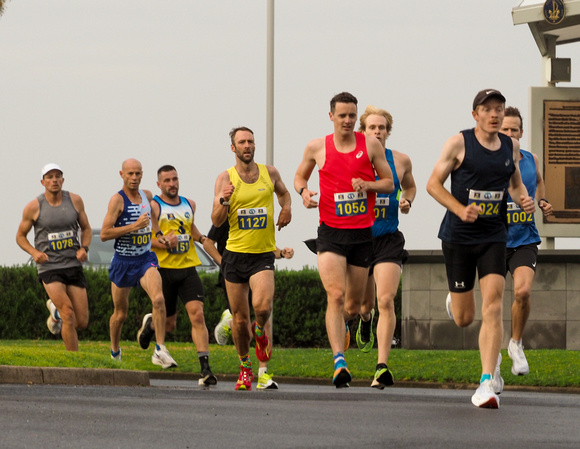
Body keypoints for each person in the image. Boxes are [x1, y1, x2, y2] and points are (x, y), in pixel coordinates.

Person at [426, 89, 535, 409]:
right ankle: (455, 299)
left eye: (499, 109)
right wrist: (460, 209)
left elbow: (514, 183)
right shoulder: (458, 143)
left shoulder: (509, 147)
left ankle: (486, 382)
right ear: (475, 114)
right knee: (464, 318)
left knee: (492, 308)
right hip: (458, 237)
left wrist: (522, 198)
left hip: (493, 236)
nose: (495, 114)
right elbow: (433, 183)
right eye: (487, 109)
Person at [294, 92, 394, 388]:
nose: (348, 120)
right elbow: (300, 177)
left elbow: (389, 183)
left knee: (354, 305)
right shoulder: (317, 147)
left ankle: (359, 321)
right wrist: (304, 193)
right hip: (330, 232)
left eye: (352, 115)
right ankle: (339, 362)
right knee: (335, 296)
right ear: (331, 117)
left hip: (362, 234)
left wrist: (369, 185)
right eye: (343, 116)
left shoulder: (371, 145)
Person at [211, 126, 291, 391]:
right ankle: (245, 367)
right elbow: (216, 221)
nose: (247, 146)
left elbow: (284, 193)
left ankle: (261, 335)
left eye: (251, 141)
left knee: (263, 308)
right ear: (233, 148)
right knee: (240, 319)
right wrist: (225, 200)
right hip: (234, 256)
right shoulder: (225, 178)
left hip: (262, 256)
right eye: (242, 142)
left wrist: (286, 208)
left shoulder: (270, 173)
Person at [135, 165, 217, 385]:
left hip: (188, 268)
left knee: (197, 314)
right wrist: (162, 242)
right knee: (169, 325)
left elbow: (190, 229)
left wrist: (202, 240)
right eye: (167, 181)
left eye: (175, 179)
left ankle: (205, 369)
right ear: (159, 184)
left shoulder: (190, 204)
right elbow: (144, 238)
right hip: (163, 271)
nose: (172, 184)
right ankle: (152, 324)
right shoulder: (154, 206)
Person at [355, 105, 416, 389]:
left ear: (388, 131)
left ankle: (382, 367)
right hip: (359, 237)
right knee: (363, 305)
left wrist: (407, 201)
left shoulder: (401, 161)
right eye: (372, 127)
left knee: (386, 300)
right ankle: (364, 320)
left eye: (381, 127)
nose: (377, 131)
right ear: (362, 131)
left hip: (389, 239)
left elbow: (411, 187)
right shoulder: (353, 160)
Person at [101, 158, 177, 369]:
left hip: (145, 259)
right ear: (122, 174)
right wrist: (133, 226)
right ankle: (115, 351)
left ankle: (160, 349)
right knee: (120, 314)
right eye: (130, 174)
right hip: (123, 262)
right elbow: (105, 234)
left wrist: (159, 233)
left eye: (138, 174)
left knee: (159, 299)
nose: (134, 178)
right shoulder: (117, 200)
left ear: (142, 174)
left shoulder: (147, 195)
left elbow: (152, 215)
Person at [204, 220, 294, 389]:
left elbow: (265, 247)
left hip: (258, 269)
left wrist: (281, 253)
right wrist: (224, 263)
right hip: (233, 271)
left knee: (265, 316)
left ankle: (262, 374)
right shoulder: (226, 214)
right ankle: (229, 324)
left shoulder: (258, 211)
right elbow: (208, 243)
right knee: (243, 325)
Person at [500, 106, 553, 376]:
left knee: (522, 292)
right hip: (494, 241)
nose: (510, 133)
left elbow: (539, 182)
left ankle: (516, 343)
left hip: (524, 239)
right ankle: (491, 363)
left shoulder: (531, 158)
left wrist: (541, 200)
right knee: (491, 302)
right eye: (504, 129)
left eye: (514, 130)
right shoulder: (487, 161)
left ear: (521, 132)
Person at [16, 163, 91, 351]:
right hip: (49, 267)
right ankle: (73, 360)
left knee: (81, 321)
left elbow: (87, 229)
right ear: (43, 182)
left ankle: (55, 313)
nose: (54, 180)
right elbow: (20, 236)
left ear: (63, 180)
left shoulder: (75, 200)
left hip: (72, 264)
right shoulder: (34, 206)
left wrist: (84, 248)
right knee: (69, 313)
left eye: (58, 176)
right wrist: (34, 253)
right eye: (50, 177)